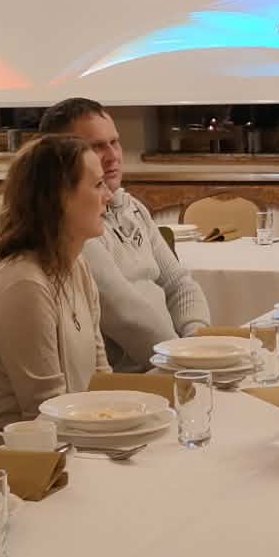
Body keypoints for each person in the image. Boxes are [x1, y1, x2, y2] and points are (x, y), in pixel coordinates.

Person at [38, 97, 211, 371]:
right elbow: (125, 316)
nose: (113, 155)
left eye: (114, 142)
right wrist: (186, 363)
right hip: (137, 377)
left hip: (171, 361)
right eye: (96, 146)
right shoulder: (75, 228)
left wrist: (196, 340)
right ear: (61, 158)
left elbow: (178, 283)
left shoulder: (133, 209)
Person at [0, 135, 112, 443]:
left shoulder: (77, 266)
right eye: (98, 185)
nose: (109, 196)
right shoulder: (23, 285)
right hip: (19, 457)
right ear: (60, 198)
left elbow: (100, 380)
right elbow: (44, 414)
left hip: (74, 439)